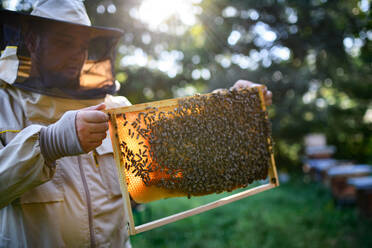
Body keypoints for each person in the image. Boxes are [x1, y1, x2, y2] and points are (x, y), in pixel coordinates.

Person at [0, 0, 272, 247]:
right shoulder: (4, 105)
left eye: (82, 45)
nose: (76, 54)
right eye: (63, 42)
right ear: (33, 41)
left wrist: (232, 109)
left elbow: (167, 164)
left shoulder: (117, 109)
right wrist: (48, 144)